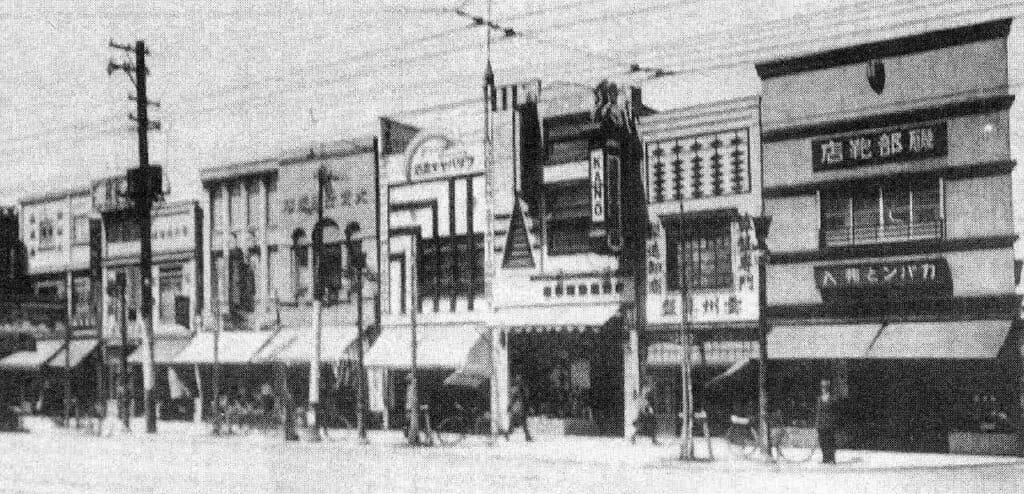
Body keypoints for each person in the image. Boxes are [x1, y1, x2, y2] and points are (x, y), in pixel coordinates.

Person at [816, 378, 841, 464]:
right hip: (822, 424)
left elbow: (836, 412)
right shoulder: (819, 399)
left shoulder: (833, 398)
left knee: (830, 441)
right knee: (822, 441)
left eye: (825, 387)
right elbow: (818, 412)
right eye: (822, 387)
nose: (824, 388)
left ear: (828, 387)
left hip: (830, 423)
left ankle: (832, 459)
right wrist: (817, 424)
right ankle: (825, 458)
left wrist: (835, 423)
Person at [505, 375, 533, 442]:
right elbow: (514, 399)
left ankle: (527, 436)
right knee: (520, 423)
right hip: (518, 408)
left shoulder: (520, 389)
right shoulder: (518, 389)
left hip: (519, 408)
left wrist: (509, 407)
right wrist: (510, 407)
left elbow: (524, 400)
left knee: (520, 423)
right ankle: (527, 437)